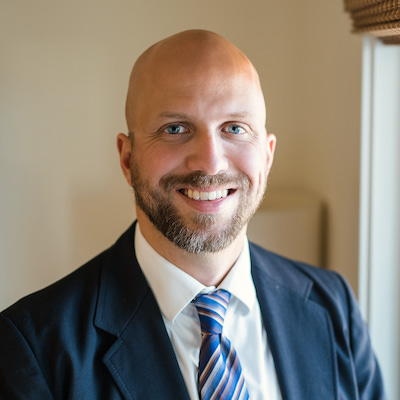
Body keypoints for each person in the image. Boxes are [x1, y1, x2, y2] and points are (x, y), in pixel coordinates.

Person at [0, 30, 385, 400]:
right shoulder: (32, 346)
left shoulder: (334, 306)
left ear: (266, 157)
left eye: (234, 128)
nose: (210, 161)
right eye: (175, 128)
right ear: (128, 158)